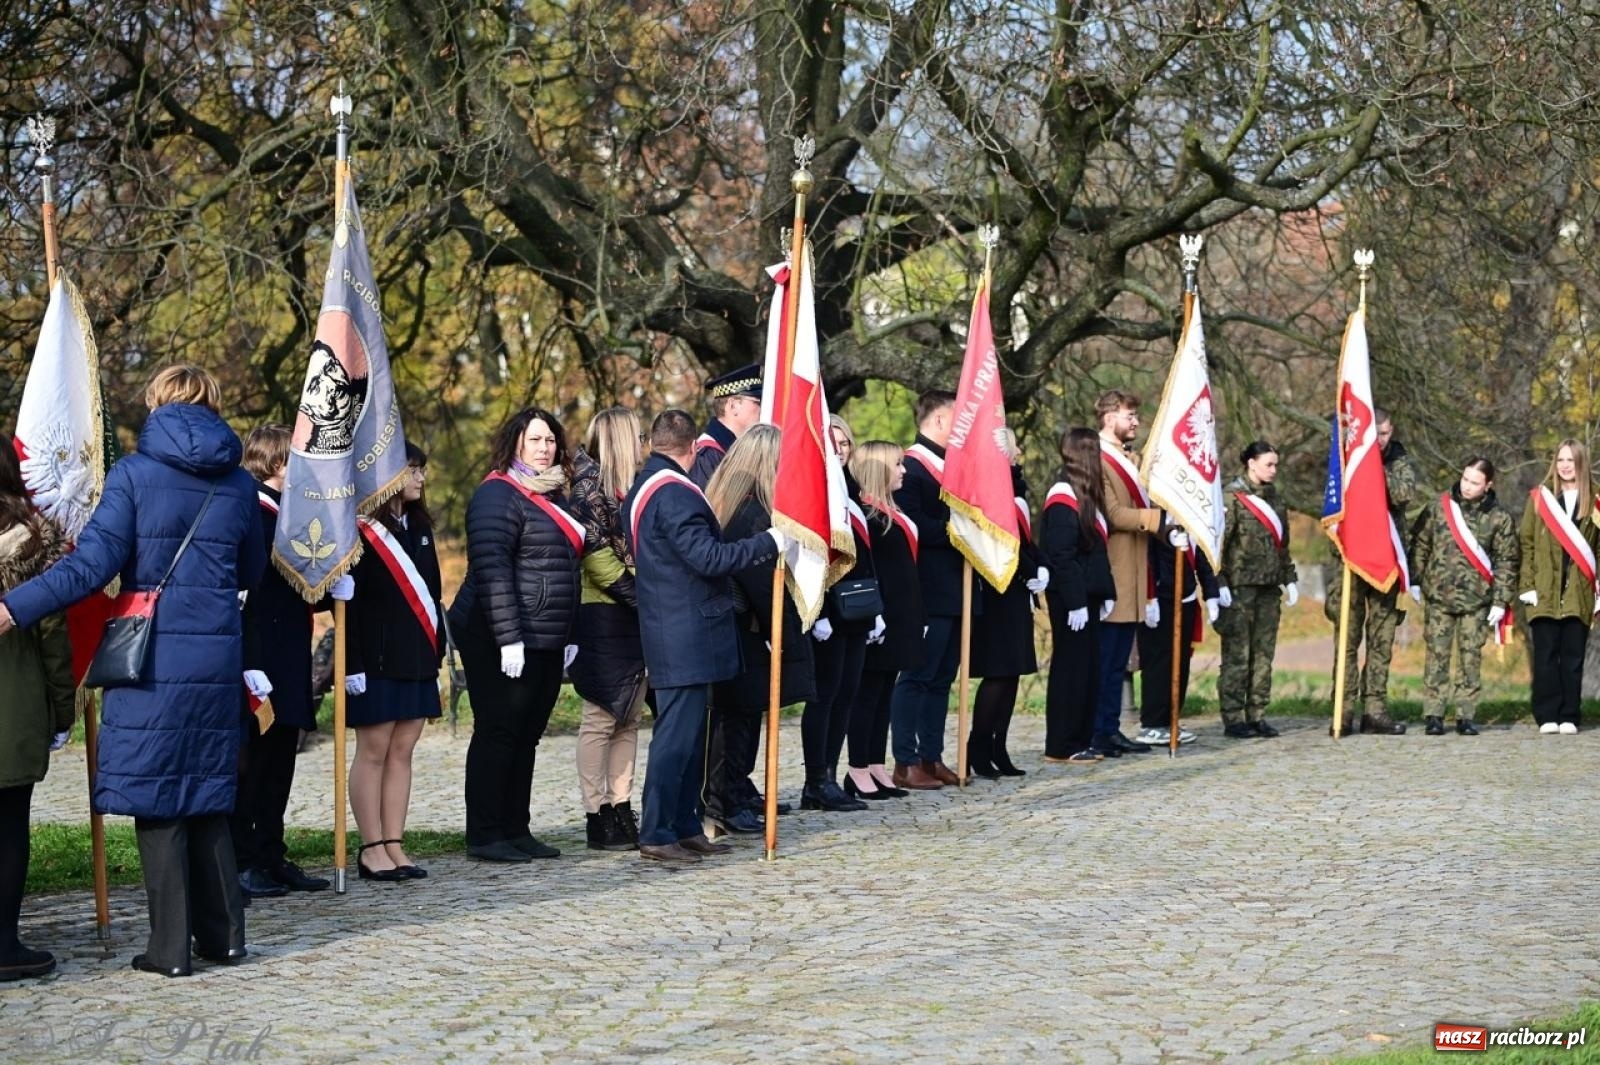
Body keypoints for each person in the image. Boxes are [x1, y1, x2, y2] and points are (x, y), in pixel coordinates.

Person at [0, 365, 265, 978]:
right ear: (213, 403)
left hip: (152, 652)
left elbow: (89, 568)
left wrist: (14, 608)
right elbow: (251, 572)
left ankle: (169, 951)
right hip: (216, 652)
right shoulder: (237, 486)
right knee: (206, 792)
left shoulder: (135, 476)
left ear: (155, 404)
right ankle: (225, 939)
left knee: (159, 799)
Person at [623, 409, 784, 863]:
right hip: (683, 631)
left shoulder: (645, 485)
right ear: (692, 448)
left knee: (691, 735)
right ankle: (657, 831)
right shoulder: (674, 493)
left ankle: (685, 825)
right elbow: (709, 558)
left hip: (675, 625)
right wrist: (769, 542)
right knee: (676, 737)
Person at [452, 410, 584, 863]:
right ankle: (486, 833)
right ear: (515, 444)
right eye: (536, 440)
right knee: (499, 730)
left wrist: (570, 633)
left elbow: (567, 570)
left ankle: (516, 828)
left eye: (551, 440)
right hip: (497, 633)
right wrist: (509, 638)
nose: (545, 447)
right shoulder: (496, 496)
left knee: (527, 734)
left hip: (545, 634)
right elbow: (493, 572)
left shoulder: (555, 496)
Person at [232, 425, 346, 899]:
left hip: (289, 653)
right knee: (255, 766)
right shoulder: (253, 513)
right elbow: (250, 595)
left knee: (280, 763)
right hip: (260, 657)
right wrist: (251, 660)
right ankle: (244, 860)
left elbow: (292, 586)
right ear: (277, 463)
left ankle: (271, 852)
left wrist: (327, 592)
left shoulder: (285, 514)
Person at [706, 425, 824, 829]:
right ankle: (725, 801)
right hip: (741, 627)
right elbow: (758, 581)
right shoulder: (751, 513)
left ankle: (734, 794)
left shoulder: (733, 503)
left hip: (737, 629)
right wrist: (787, 638)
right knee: (735, 721)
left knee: (741, 718)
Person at [344, 442, 444, 880]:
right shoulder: (360, 531)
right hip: (375, 659)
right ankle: (371, 847)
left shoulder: (419, 527)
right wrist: (352, 665)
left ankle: (395, 843)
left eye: (421, 470)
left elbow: (433, 593)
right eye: (413, 470)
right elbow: (352, 607)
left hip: (415, 655)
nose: (421, 478)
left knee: (403, 750)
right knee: (375, 750)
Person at [0, 438, 74, 981]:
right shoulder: (33, 542)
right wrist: (63, 712)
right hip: (14, 703)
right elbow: (52, 635)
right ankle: (3, 944)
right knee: (7, 826)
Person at [567, 407, 645, 850]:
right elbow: (596, 560)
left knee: (629, 717)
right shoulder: (587, 490)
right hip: (603, 613)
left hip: (633, 612)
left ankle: (621, 805)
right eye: (636, 435)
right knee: (600, 716)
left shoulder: (627, 487)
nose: (642, 443)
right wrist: (642, 597)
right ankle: (596, 814)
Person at [796, 416, 877, 809]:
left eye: (846, 443)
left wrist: (877, 610)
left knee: (847, 694)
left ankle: (830, 773)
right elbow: (811, 557)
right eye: (834, 442)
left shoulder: (850, 490)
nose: (841, 449)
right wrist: (820, 610)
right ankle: (815, 780)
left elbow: (863, 555)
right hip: (829, 611)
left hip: (858, 609)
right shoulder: (816, 490)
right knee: (824, 697)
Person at [890, 390, 968, 788]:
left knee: (941, 680)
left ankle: (930, 755)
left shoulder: (954, 466)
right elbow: (914, 526)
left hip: (956, 590)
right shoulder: (912, 468)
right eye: (958, 418)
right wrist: (962, 527)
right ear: (938, 421)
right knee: (916, 677)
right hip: (927, 590)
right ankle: (905, 761)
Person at [1409, 458, 1519, 736]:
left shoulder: (1499, 517)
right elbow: (1421, 544)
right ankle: (1434, 714)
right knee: (1436, 656)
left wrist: (1500, 600)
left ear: (1488, 485)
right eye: (1465, 479)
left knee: (1470, 659)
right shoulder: (1439, 508)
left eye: (1475, 483)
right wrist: (1415, 580)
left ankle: (1465, 715)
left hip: (1476, 601)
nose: (1467, 486)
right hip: (1438, 597)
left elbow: (1507, 561)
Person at [1325, 409, 1416, 734]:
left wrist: (1372, 470)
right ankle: (1343, 709)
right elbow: (1332, 505)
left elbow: (1404, 494)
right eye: (1374, 434)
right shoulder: (1344, 460)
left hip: (1385, 561)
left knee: (1381, 639)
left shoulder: (1398, 460)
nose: (1380, 440)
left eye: (1385, 434)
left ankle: (1374, 710)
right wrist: (1358, 466)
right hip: (1349, 560)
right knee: (1347, 638)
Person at [968, 431, 1048, 778]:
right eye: (1012, 445)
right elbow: (1000, 538)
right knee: (998, 673)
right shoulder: (989, 488)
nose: (1019, 451)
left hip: (1017, 590)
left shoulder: (1016, 486)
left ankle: (999, 746)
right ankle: (978, 746)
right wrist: (1031, 567)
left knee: (1013, 672)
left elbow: (1024, 538)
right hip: (997, 588)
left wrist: (1040, 565)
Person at [844, 441, 919, 798]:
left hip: (902, 614)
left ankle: (876, 762)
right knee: (868, 694)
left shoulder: (891, 510)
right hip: (880, 616)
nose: (904, 470)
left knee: (885, 692)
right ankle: (857, 767)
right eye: (898, 464)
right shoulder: (867, 516)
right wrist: (878, 615)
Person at [1040, 429, 1117, 763]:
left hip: (1088, 595)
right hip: (1071, 598)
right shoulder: (1062, 497)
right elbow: (1061, 555)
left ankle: (1080, 739)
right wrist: (1075, 601)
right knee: (1071, 670)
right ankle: (1062, 743)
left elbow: (1096, 552)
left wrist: (1106, 591)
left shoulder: (1085, 495)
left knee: (1087, 669)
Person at [1517, 440, 1600, 735]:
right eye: (1561, 459)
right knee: (1546, 655)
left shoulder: (1595, 503)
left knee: (1573, 657)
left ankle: (1569, 714)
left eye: (1571, 460)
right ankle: (1546, 714)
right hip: (1543, 591)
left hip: (1578, 592)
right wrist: (1526, 584)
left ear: (1581, 463)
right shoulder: (1540, 500)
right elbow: (1526, 543)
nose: (1565, 465)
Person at [1215, 441, 1297, 739]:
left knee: (1263, 655)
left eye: (1276, 465)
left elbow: (1282, 545)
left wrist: (1289, 577)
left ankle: (1257, 714)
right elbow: (1219, 546)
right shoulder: (1232, 497)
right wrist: (1218, 583)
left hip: (1268, 588)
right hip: (1239, 588)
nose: (1274, 470)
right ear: (1251, 463)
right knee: (1238, 654)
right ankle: (1233, 717)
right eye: (1268, 464)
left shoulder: (1275, 499)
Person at [1095, 390, 1158, 756]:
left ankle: (1110, 727)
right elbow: (1115, 514)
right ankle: (1097, 730)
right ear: (1108, 418)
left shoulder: (1128, 459)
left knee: (1118, 660)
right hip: (1114, 569)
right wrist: (1155, 520)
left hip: (1134, 570)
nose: (1135, 421)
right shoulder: (1100, 460)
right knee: (1106, 661)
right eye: (1128, 415)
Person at [1133, 521, 1220, 747]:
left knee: (1181, 664)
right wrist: (1149, 597)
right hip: (1161, 599)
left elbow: (1200, 555)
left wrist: (1211, 593)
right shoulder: (1155, 520)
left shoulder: (1189, 516)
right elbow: (1146, 559)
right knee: (1158, 663)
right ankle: (1152, 723)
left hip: (1186, 596)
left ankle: (1171, 719)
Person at [690, 363, 763, 489]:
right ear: (733, 406)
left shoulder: (731, 450)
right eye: (757, 402)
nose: (762, 409)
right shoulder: (706, 457)